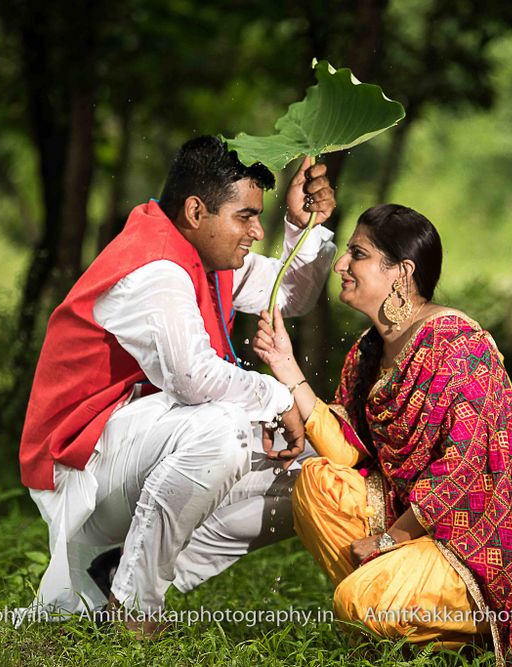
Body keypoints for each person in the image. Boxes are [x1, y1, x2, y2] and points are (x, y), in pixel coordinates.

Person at [18, 136, 337, 635]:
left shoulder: (205, 257)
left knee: (316, 471)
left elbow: (290, 295)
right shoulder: (157, 268)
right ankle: (134, 608)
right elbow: (194, 380)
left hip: (137, 447)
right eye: (245, 217)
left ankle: (117, 575)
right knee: (222, 427)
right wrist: (279, 397)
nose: (256, 230)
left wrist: (306, 227)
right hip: (82, 467)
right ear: (195, 210)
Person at [252, 204, 512, 665]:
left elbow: (465, 470)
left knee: (357, 602)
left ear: (402, 272)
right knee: (316, 485)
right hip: (417, 517)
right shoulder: (369, 352)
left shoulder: (459, 346)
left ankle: (454, 628)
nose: (341, 265)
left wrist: (390, 540)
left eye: (358, 254)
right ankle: (396, 631)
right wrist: (285, 365)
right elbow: (347, 451)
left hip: (487, 529)